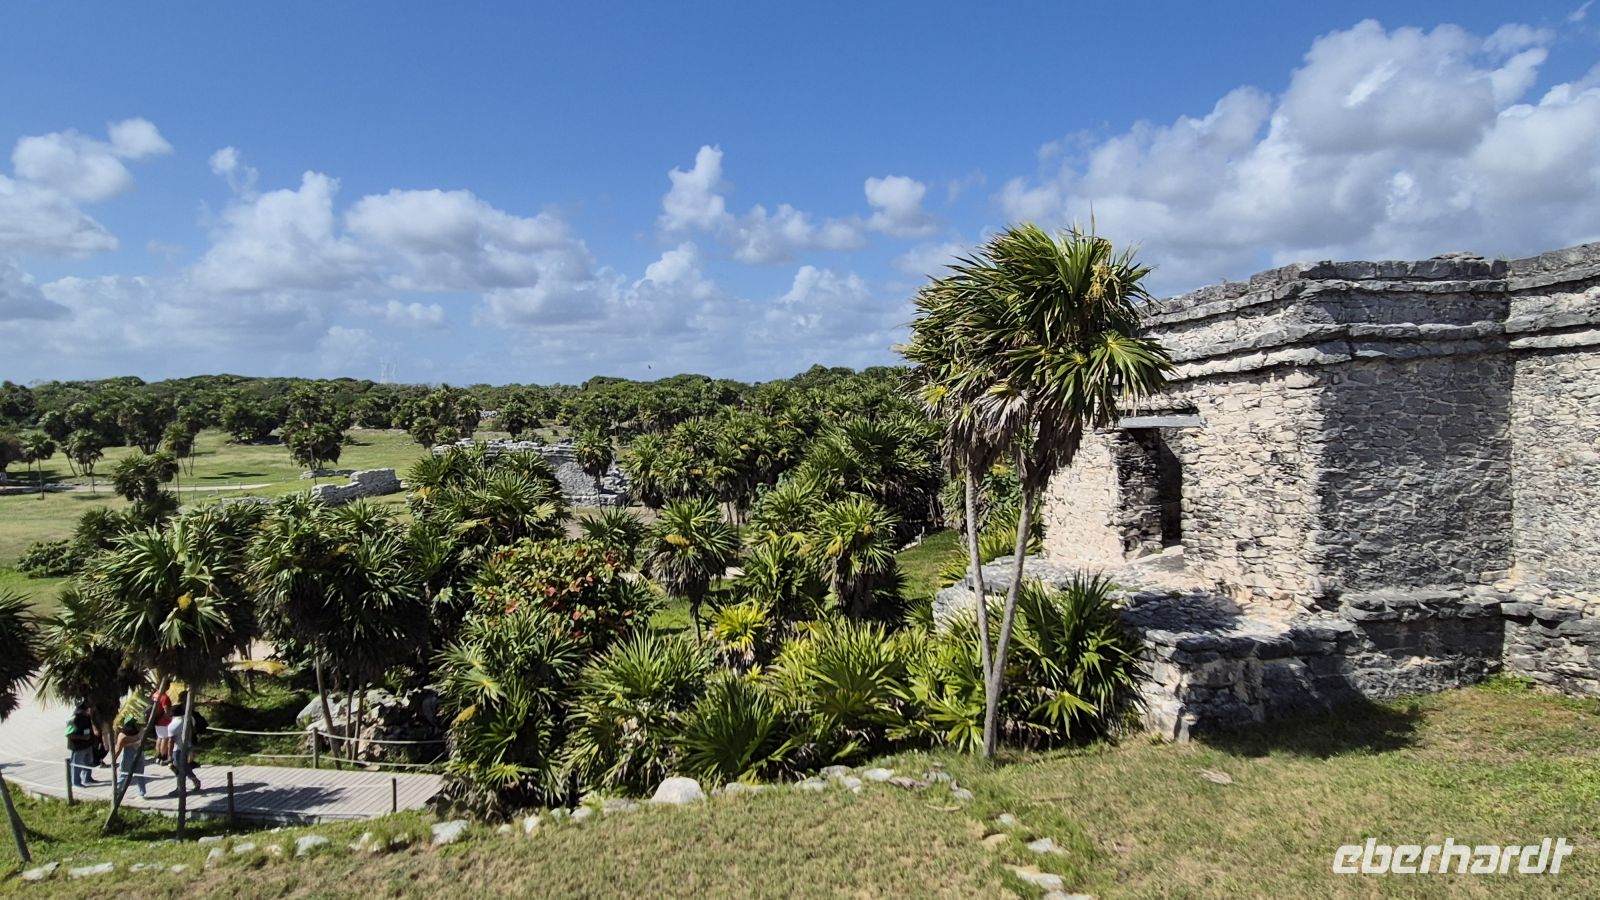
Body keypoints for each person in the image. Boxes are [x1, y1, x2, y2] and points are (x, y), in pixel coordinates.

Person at [167, 691, 202, 795]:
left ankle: (181, 788)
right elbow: (194, 730)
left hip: (178, 749)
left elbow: (171, 741)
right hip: (189, 745)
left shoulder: (173, 725)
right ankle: (193, 781)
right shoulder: (189, 718)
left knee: (179, 769)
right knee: (184, 766)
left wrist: (169, 755)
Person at [114, 717, 148, 799]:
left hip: (130, 754)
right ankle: (142, 792)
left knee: (124, 773)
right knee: (139, 774)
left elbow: (118, 749)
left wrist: (113, 759)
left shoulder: (123, 736)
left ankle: (118, 790)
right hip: (139, 753)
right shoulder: (141, 731)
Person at [66, 701, 99, 787]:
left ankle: (87, 778)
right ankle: (76, 782)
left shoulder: (87, 717)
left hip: (88, 744)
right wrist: (83, 738)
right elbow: (69, 734)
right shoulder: (74, 719)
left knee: (89, 762)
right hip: (78, 747)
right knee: (77, 765)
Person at [151, 685, 174, 765]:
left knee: (159, 738)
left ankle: (158, 756)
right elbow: (166, 711)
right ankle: (163, 756)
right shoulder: (164, 697)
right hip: (164, 721)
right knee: (165, 738)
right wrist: (171, 719)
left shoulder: (155, 694)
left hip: (156, 720)